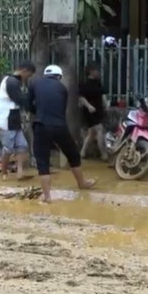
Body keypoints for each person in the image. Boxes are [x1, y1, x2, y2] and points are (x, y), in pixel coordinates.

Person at [27, 65, 96, 203]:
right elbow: (61, 108)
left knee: (43, 161)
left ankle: (47, 196)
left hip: (41, 125)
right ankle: (82, 183)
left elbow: (28, 105)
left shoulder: (34, 84)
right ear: (58, 77)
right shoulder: (62, 89)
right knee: (73, 154)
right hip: (59, 126)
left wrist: (39, 112)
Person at [0, 60, 36, 181]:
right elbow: (20, 99)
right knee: (8, 148)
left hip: (13, 119)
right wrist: (34, 107)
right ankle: (4, 173)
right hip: (5, 120)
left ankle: (20, 172)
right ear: (24, 71)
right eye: (29, 74)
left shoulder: (14, 81)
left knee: (22, 146)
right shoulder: (11, 82)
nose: (28, 78)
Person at [79, 62, 107, 161]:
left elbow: (103, 94)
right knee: (100, 130)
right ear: (91, 71)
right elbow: (81, 97)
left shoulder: (98, 82)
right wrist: (89, 106)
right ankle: (104, 154)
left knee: (91, 133)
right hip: (89, 111)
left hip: (98, 109)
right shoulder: (84, 83)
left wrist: (105, 104)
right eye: (97, 70)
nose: (98, 72)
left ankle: (82, 152)